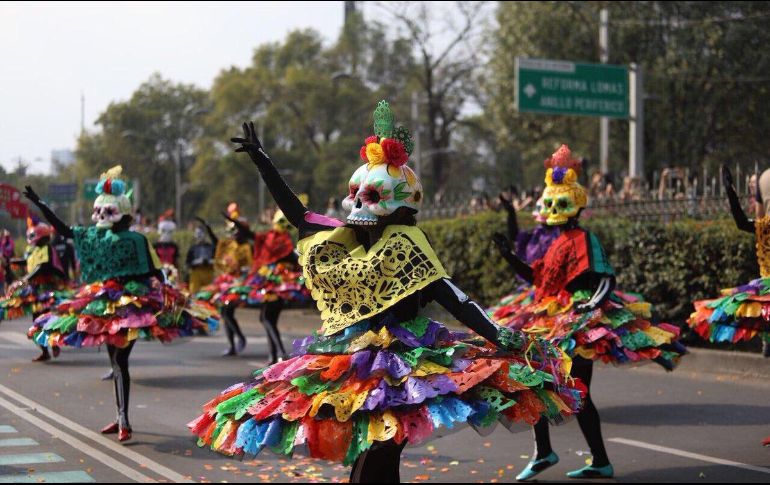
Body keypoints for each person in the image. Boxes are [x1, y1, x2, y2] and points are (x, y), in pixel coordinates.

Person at [189, 102, 583, 483]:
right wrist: (264, 162)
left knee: (382, 451)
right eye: (356, 194)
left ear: (400, 205)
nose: (357, 205)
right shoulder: (344, 238)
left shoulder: (408, 247)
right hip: (352, 361)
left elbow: (455, 299)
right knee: (374, 453)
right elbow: (299, 214)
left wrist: (500, 336)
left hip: (404, 364)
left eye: (372, 197)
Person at [492, 145, 686, 480]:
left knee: (577, 390)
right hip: (548, 318)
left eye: (561, 203)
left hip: (577, 324)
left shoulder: (585, 237)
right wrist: (509, 257)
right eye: (550, 203)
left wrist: (591, 306)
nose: (555, 209)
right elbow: (537, 278)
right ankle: (547, 452)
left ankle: (597, 461)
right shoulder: (554, 242)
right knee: (535, 380)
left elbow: (606, 277)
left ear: (576, 204)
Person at [23, 166, 214, 442]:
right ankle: (121, 417)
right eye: (100, 212)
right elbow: (154, 271)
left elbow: (152, 271)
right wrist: (41, 204)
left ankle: (123, 420)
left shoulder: (131, 239)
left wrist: (41, 204)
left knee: (119, 361)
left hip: (132, 307)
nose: (101, 217)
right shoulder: (112, 237)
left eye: (106, 212)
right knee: (117, 362)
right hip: (108, 303)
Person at [689, 165, 770, 348]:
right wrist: (730, 191)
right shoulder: (764, 227)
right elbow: (744, 222)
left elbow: (743, 221)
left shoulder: (764, 227)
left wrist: (730, 192)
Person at [0, 215, 73, 362]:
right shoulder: (33, 250)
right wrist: (14, 261)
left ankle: (54, 343)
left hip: (47, 289)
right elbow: (29, 262)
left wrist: (25, 279)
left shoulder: (47, 248)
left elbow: (42, 266)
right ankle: (45, 350)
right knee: (36, 321)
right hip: (34, 289)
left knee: (47, 319)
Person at [195, 204, 253, 356]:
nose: (234, 234)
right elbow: (217, 243)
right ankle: (233, 345)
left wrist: (243, 275)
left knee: (227, 312)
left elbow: (251, 265)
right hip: (225, 282)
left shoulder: (247, 247)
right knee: (225, 313)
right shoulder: (229, 244)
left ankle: (240, 338)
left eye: (237, 231)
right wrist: (207, 227)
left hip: (239, 283)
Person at [186, 224, 216, 294]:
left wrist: (209, 261)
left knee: (210, 292)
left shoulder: (211, 247)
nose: (199, 236)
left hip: (208, 272)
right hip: (196, 273)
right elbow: (188, 263)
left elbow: (216, 260)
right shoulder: (193, 248)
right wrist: (197, 262)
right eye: (197, 234)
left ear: (205, 234)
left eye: (201, 233)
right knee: (194, 293)